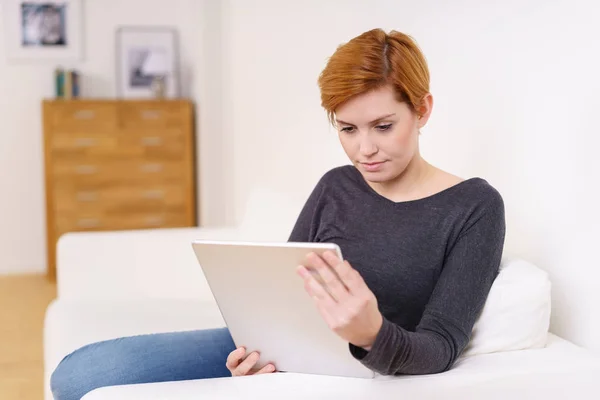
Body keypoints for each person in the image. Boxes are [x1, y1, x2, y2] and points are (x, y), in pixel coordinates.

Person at [50, 28, 505, 400]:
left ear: (422, 110)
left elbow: (441, 346)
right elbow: (279, 291)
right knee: (77, 374)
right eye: (347, 129)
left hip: (361, 369)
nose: (364, 149)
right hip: (276, 353)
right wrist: (253, 350)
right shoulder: (336, 185)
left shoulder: (473, 207)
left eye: (383, 127)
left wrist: (371, 333)